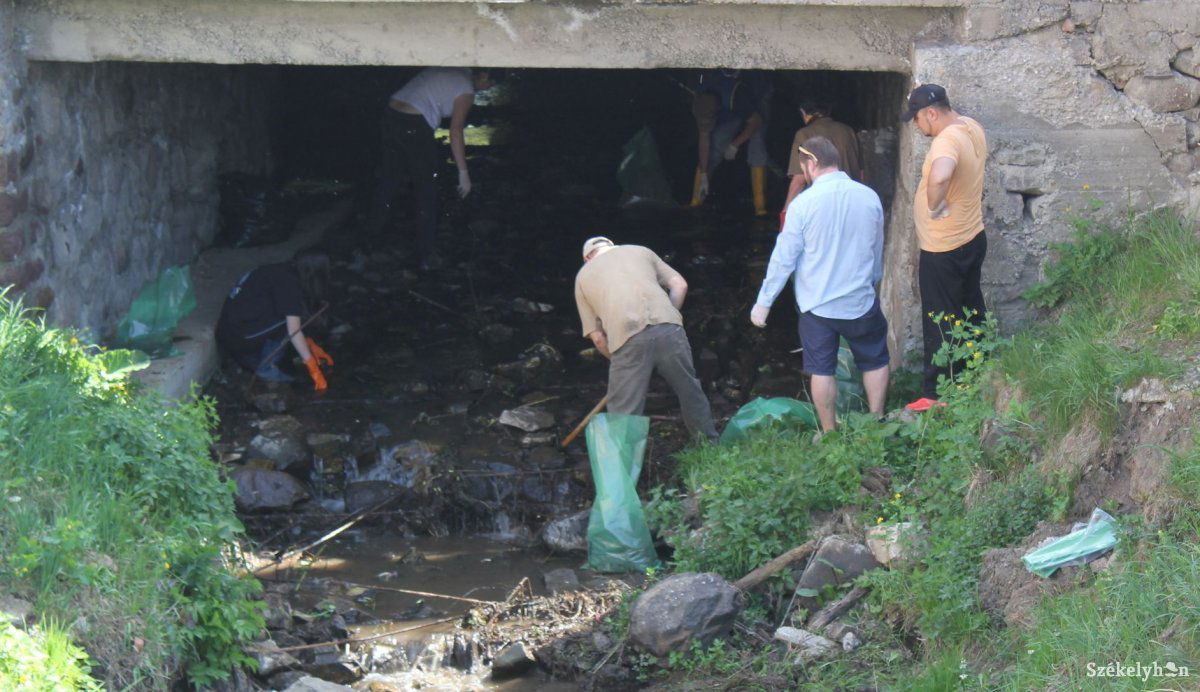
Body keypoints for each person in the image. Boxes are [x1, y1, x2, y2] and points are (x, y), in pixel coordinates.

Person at [749, 136, 888, 431]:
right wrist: (873, 281)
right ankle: (876, 422)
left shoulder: (803, 204)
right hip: (859, 301)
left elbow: (784, 259)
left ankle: (829, 432)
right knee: (874, 360)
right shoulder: (869, 197)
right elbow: (876, 248)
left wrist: (764, 303)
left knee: (822, 370)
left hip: (817, 307)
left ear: (811, 164)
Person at [574, 237, 719, 443]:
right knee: (689, 390)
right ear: (611, 245)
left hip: (627, 337)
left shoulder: (583, 276)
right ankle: (709, 446)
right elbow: (680, 285)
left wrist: (620, 361)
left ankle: (622, 468)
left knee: (623, 411)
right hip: (670, 330)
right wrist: (668, 315)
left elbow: (597, 338)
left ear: (588, 258)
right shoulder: (641, 251)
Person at [901, 84, 988, 412]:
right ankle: (975, 372)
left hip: (944, 247)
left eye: (917, 119)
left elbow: (940, 175)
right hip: (971, 236)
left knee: (939, 319)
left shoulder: (947, 141)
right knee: (969, 307)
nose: (916, 126)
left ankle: (936, 395)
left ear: (931, 113)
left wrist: (933, 203)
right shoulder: (971, 127)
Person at [366, 67, 498, 271]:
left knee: (389, 181)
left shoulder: (458, 71)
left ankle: (369, 240)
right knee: (426, 190)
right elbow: (456, 131)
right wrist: (463, 174)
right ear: (484, 76)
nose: (488, 88)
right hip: (415, 123)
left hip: (391, 114)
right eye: (490, 84)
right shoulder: (466, 92)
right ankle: (425, 256)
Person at [216, 248, 334, 391]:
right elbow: (294, 331)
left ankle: (251, 357)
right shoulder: (290, 285)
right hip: (239, 336)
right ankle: (266, 368)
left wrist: (310, 344)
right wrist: (312, 366)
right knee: (290, 320)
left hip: (228, 328)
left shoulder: (278, 270)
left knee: (293, 315)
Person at [688, 69, 773, 217]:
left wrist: (735, 144)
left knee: (756, 148)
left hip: (757, 94)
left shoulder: (736, 95)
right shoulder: (701, 97)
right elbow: (704, 136)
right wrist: (703, 174)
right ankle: (696, 200)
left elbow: (756, 122)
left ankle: (760, 208)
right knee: (716, 146)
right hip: (731, 106)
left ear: (719, 110)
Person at [782, 95, 864, 213]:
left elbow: (799, 179)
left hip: (820, 207)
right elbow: (861, 173)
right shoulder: (848, 131)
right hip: (851, 204)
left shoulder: (804, 134)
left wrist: (786, 210)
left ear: (803, 112)